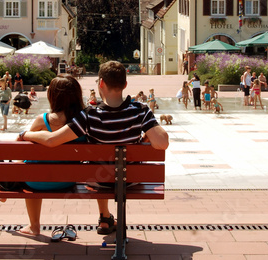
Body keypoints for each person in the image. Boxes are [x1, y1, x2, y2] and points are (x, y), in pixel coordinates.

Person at [18, 60, 169, 236]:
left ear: (101, 83)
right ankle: (106, 219)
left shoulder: (90, 116)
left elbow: (52, 140)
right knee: (111, 168)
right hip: (130, 180)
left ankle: (105, 217)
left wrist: (24, 135)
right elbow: (162, 142)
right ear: (125, 84)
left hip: (101, 182)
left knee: (101, 168)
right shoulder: (140, 110)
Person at [19, 75, 85, 236]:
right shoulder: (83, 122)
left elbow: (20, 150)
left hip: (36, 183)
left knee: (30, 167)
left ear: (52, 97)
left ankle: (34, 226)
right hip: (68, 181)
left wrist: (23, 134)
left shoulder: (42, 121)